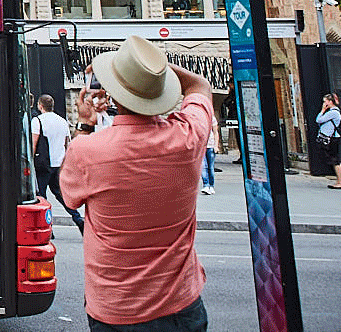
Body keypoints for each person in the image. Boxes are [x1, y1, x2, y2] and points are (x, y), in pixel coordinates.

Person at [61, 36, 213, 332]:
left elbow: (71, 199)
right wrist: (152, 70)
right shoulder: (188, 137)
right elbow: (199, 85)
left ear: (116, 97)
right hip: (180, 306)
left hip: (115, 309)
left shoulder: (87, 151)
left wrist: (85, 125)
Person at [32, 93, 83, 233]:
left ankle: (47, 227)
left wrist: (30, 160)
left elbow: (34, 144)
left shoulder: (37, 121)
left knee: (41, 196)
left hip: (43, 165)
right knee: (61, 195)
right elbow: (68, 144)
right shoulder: (62, 121)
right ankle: (78, 218)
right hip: (59, 164)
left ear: (40, 106)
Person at [314, 92, 341, 189]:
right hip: (331, 138)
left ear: (330, 102)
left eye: (325, 101)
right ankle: (339, 181)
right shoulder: (333, 112)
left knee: (335, 161)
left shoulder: (333, 112)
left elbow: (318, 120)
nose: (324, 103)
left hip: (332, 139)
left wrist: (323, 110)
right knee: (334, 160)